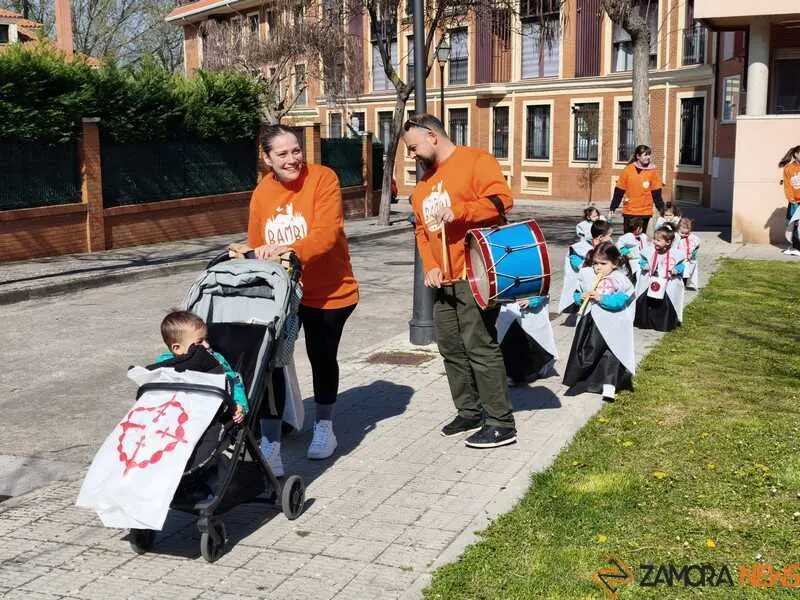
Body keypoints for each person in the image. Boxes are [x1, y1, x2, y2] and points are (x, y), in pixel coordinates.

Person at [230, 125, 359, 474]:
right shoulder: (262, 192)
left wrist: (285, 250)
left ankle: (324, 426)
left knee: (321, 356)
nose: (292, 159)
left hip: (329, 290)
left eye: (296, 150)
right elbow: (257, 242)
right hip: (285, 293)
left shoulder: (323, 179)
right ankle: (271, 444)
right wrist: (252, 255)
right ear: (267, 158)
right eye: (283, 153)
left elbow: (326, 235)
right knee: (270, 361)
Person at [403, 112, 516, 449]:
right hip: (444, 281)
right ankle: (469, 411)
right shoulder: (422, 187)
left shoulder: (476, 161)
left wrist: (461, 210)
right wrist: (431, 266)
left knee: (479, 345)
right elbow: (422, 232)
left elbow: (502, 201)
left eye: (413, 147)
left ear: (432, 136)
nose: (411, 154)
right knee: (451, 347)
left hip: (475, 273)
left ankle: (500, 422)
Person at [563, 242, 635, 403]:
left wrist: (601, 298)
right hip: (591, 321)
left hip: (612, 322)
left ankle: (609, 385)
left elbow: (620, 301)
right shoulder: (587, 274)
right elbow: (577, 293)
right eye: (596, 263)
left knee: (611, 353)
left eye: (603, 263)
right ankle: (582, 380)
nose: (598, 267)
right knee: (587, 350)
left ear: (614, 263)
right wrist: (580, 297)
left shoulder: (620, 279)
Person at [155, 310, 247, 424]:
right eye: (200, 342)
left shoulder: (216, 359)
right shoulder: (165, 365)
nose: (207, 345)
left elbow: (234, 381)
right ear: (177, 348)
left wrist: (239, 404)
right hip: (175, 414)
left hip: (212, 413)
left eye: (206, 339)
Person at [497, 296, 558, 387]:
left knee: (533, 341)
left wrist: (533, 301)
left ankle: (538, 368)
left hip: (528, 310)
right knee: (509, 343)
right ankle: (511, 375)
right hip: (506, 311)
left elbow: (543, 292)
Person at [634, 226, 685, 332]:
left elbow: (682, 265)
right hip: (650, 282)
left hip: (667, 284)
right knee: (647, 302)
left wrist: (677, 269)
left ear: (668, 242)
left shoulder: (676, 254)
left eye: (658, 240)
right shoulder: (649, 251)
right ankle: (646, 322)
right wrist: (644, 264)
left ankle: (663, 323)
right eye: (654, 239)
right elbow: (642, 259)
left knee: (664, 304)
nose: (654, 242)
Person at [557, 220, 613, 313]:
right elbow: (574, 260)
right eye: (609, 235)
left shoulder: (608, 248)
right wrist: (585, 267)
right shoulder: (581, 247)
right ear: (600, 237)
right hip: (588, 283)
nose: (611, 239)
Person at [609, 145, 665, 233]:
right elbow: (619, 191)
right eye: (645, 155)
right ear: (638, 156)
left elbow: (656, 193)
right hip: (630, 211)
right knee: (629, 237)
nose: (648, 157)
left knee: (641, 237)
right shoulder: (627, 170)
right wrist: (613, 207)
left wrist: (661, 209)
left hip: (645, 212)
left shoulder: (652, 171)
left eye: (649, 154)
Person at [779, 145, 800, 256]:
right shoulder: (788, 168)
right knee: (795, 224)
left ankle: (795, 247)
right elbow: (787, 186)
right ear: (796, 154)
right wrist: (791, 199)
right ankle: (796, 247)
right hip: (795, 202)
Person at [616, 216, 649, 284]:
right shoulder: (627, 236)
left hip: (643, 259)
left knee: (644, 274)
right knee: (637, 273)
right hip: (634, 259)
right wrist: (627, 253)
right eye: (641, 227)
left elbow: (647, 246)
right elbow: (619, 244)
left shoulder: (643, 236)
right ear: (638, 228)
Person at [676, 217, 700, 290]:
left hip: (689, 259)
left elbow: (696, 245)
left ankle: (686, 284)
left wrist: (693, 254)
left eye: (687, 233)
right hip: (680, 259)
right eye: (682, 233)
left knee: (688, 272)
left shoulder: (692, 238)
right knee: (681, 271)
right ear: (678, 229)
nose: (684, 235)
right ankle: (680, 284)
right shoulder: (676, 237)